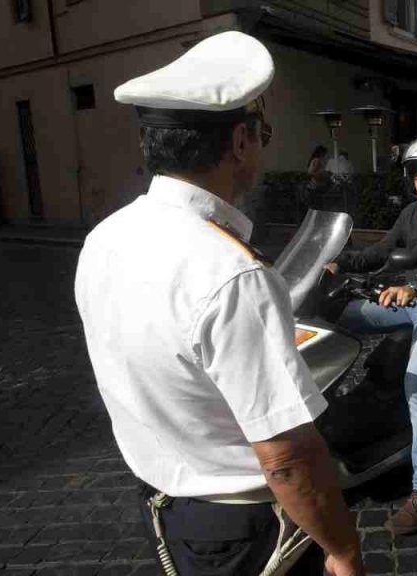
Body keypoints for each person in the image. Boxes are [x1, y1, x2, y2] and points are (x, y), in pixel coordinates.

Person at [74, 31, 364, 576]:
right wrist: (345, 550)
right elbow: (285, 458)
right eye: (263, 133)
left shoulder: (104, 237)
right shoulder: (233, 273)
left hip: (166, 508)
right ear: (239, 142)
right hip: (244, 528)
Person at [324, 135, 417, 535]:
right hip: (408, 299)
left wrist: (415, 284)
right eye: (415, 170)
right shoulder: (411, 212)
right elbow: (381, 251)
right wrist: (335, 262)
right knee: (337, 319)